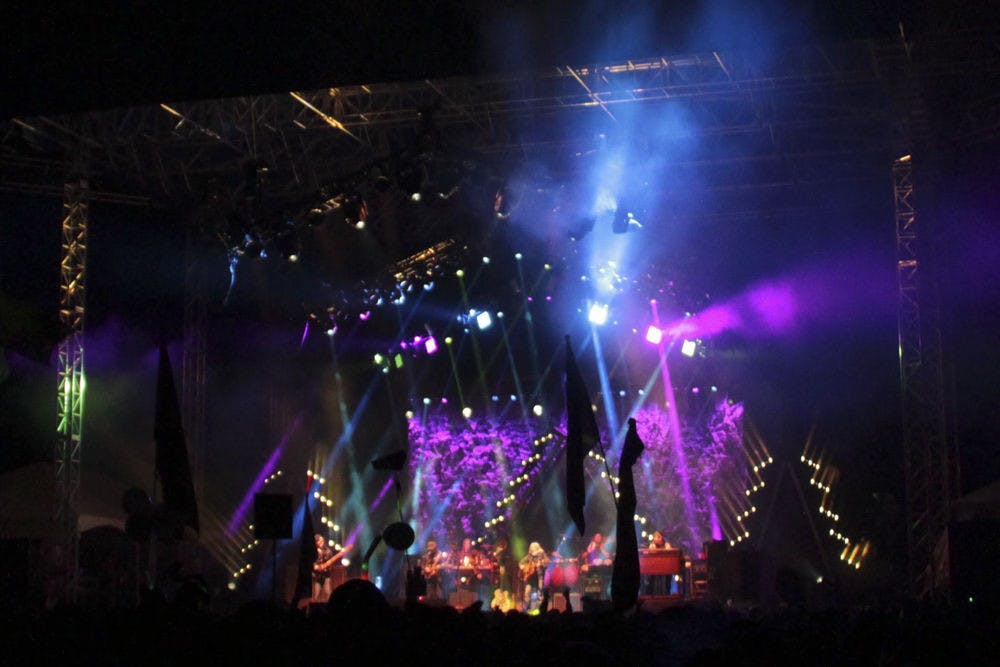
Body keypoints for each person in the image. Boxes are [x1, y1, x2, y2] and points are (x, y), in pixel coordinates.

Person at [519, 541, 550, 611]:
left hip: (539, 578)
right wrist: (525, 567)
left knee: (539, 594)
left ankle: (539, 610)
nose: (533, 553)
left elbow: (548, 562)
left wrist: (541, 563)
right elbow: (521, 563)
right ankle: (526, 608)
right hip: (530, 578)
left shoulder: (542, 554)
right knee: (527, 592)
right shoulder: (530, 556)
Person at [312, 534, 335, 603]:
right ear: (316, 542)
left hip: (326, 576)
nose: (322, 542)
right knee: (316, 595)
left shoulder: (327, 551)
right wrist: (315, 566)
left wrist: (325, 566)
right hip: (317, 577)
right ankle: (315, 610)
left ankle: (328, 609)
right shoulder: (313, 552)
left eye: (322, 541)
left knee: (328, 593)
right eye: (319, 541)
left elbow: (330, 562)